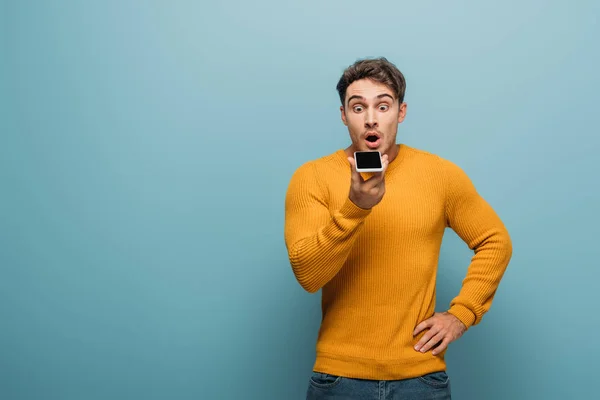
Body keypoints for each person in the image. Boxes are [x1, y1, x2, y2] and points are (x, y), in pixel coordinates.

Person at [283, 57, 513, 399]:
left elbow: (495, 241)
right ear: (344, 116)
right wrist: (355, 208)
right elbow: (308, 275)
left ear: (401, 112)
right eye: (358, 107)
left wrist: (462, 314)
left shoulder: (441, 175)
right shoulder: (312, 178)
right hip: (338, 378)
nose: (371, 118)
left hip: (420, 378)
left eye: (383, 106)